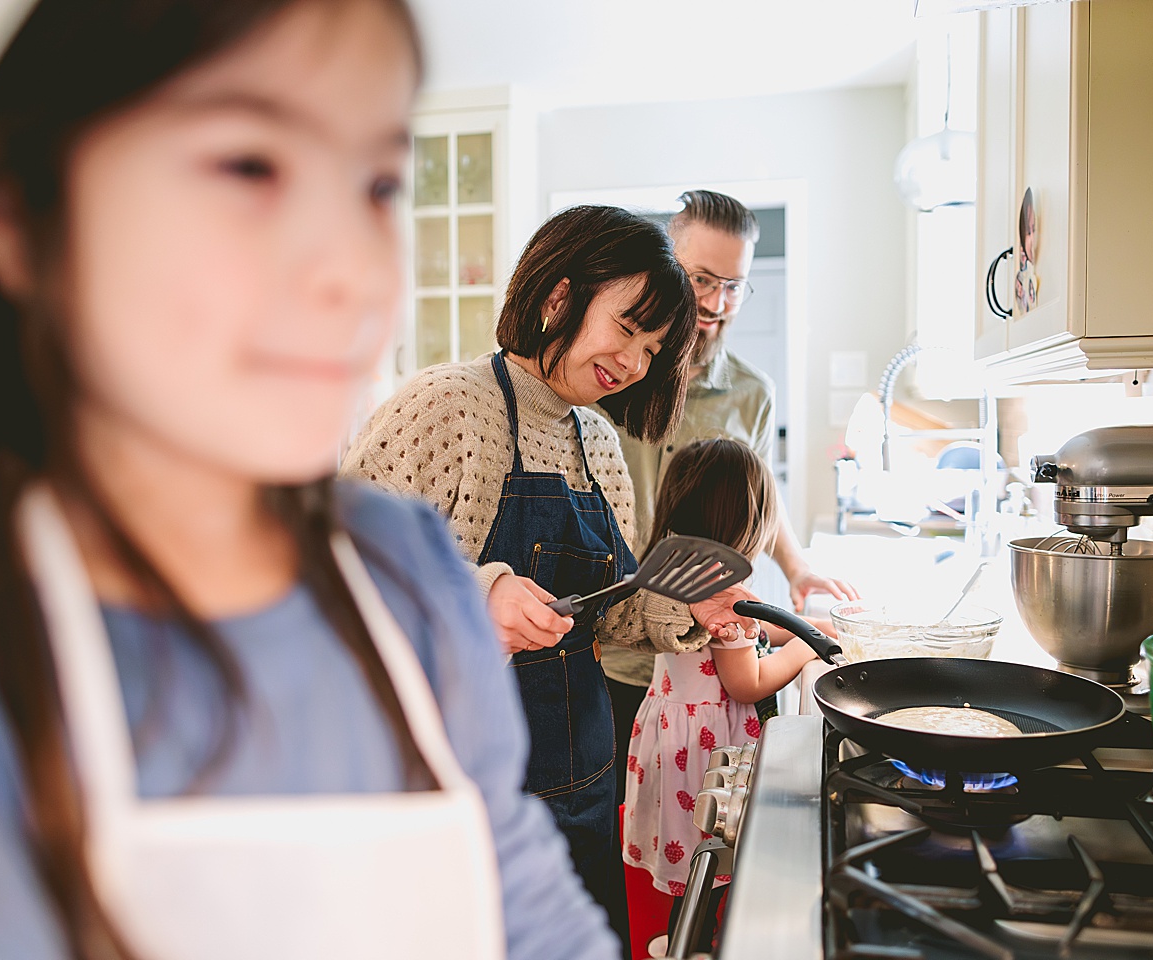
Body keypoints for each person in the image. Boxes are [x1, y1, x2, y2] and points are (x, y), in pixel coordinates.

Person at [0, 1, 621, 958]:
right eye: (249, 165)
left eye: (378, 184)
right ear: (11, 211)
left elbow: (524, 909)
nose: (352, 269)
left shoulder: (404, 571)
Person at [342, 205, 761, 946]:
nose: (634, 364)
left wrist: (695, 604)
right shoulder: (447, 406)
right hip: (464, 795)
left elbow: (621, 615)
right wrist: (481, 592)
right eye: (628, 330)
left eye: (654, 348)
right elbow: (339, 567)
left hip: (584, 781)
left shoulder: (597, 440)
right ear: (558, 297)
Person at [602, 189, 859, 776]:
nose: (718, 302)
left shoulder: (753, 394)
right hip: (621, 652)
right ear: (667, 264)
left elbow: (759, 500)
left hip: (716, 643)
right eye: (702, 279)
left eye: (735, 285)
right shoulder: (615, 373)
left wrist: (797, 570)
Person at [622, 439, 829, 950]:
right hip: (706, 749)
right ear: (751, 520)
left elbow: (752, 634)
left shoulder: (681, 568)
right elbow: (747, 680)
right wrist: (806, 648)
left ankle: (684, 937)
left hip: (678, 737)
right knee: (709, 862)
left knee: (697, 869)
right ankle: (693, 944)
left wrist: (805, 627)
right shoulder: (718, 587)